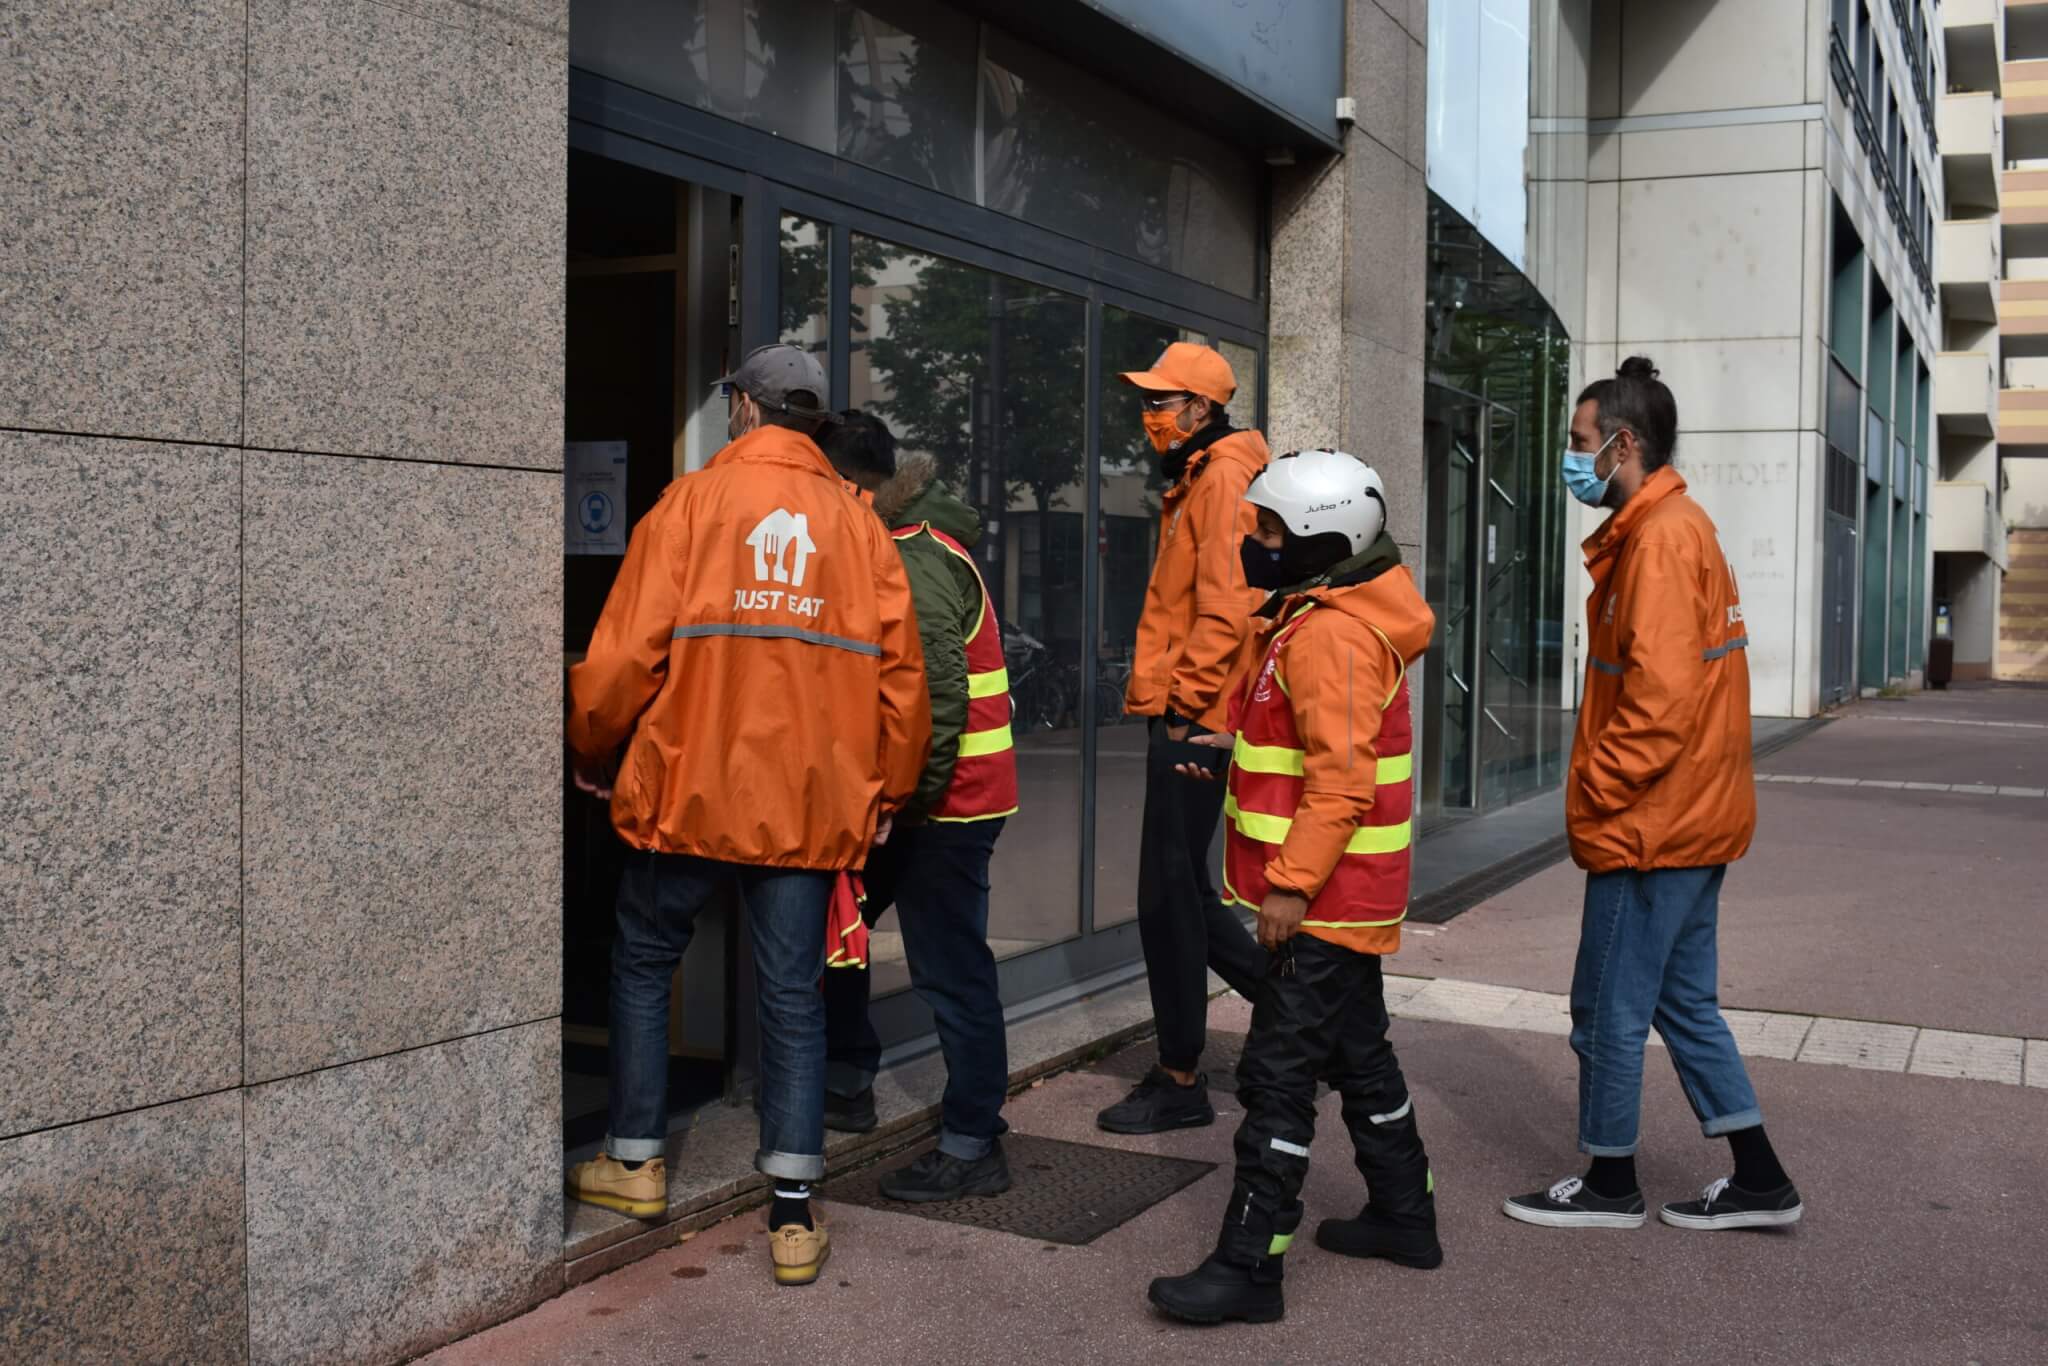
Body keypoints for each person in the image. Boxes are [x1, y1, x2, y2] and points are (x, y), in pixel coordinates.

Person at [563, 345, 931, 1287]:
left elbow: (618, 663)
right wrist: (885, 791)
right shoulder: (859, 530)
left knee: (645, 961)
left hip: (688, 786)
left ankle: (638, 1160)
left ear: (742, 410)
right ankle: (795, 1218)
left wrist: (595, 749)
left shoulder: (688, 506)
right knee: (793, 1000)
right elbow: (903, 685)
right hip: (808, 803)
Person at [1505, 356, 1802, 1232]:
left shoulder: (1662, 541)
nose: (1571, 460)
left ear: (1623, 445)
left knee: (1606, 1008)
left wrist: (1594, 789)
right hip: (1690, 818)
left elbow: (1659, 703)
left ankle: (1607, 1185)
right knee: (1682, 1003)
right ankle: (1759, 1180)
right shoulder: (1672, 528)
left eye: (1579, 444)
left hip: (1651, 824)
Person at [1147, 450, 1439, 1326]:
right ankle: (1404, 1215)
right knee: (1361, 1056)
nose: (1256, 543)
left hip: (1321, 900)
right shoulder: (1318, 616)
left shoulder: (1332, 634)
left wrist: (1289, 889)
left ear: (1322, 540)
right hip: (1342, 895)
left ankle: (1250, 1267)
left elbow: (1341, 783)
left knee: (1277, 1080)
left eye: (1270, 531)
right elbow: (1301, 746)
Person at [817, 411, 1019, 1202]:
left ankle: (972, 1143)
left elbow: (934, 694)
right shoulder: (905, 546)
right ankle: (845, 1082)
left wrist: (901, 799)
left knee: (950, 970)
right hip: (928, 800)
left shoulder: (914, 559)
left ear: (854, 489)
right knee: (838, 932)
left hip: (943, 806)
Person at [1098, 341, 1273, 1136]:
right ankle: (1308, 1025)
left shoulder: (1225, 474)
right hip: (1193, 712)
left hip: (1197, 718)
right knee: (1184, 895)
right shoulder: (1208, 473)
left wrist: (1188, 706)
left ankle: (1180, 1079)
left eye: (1162, 402)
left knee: (1169, 898)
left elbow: (1228, 604)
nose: (1150, 416)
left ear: (1202, 409)